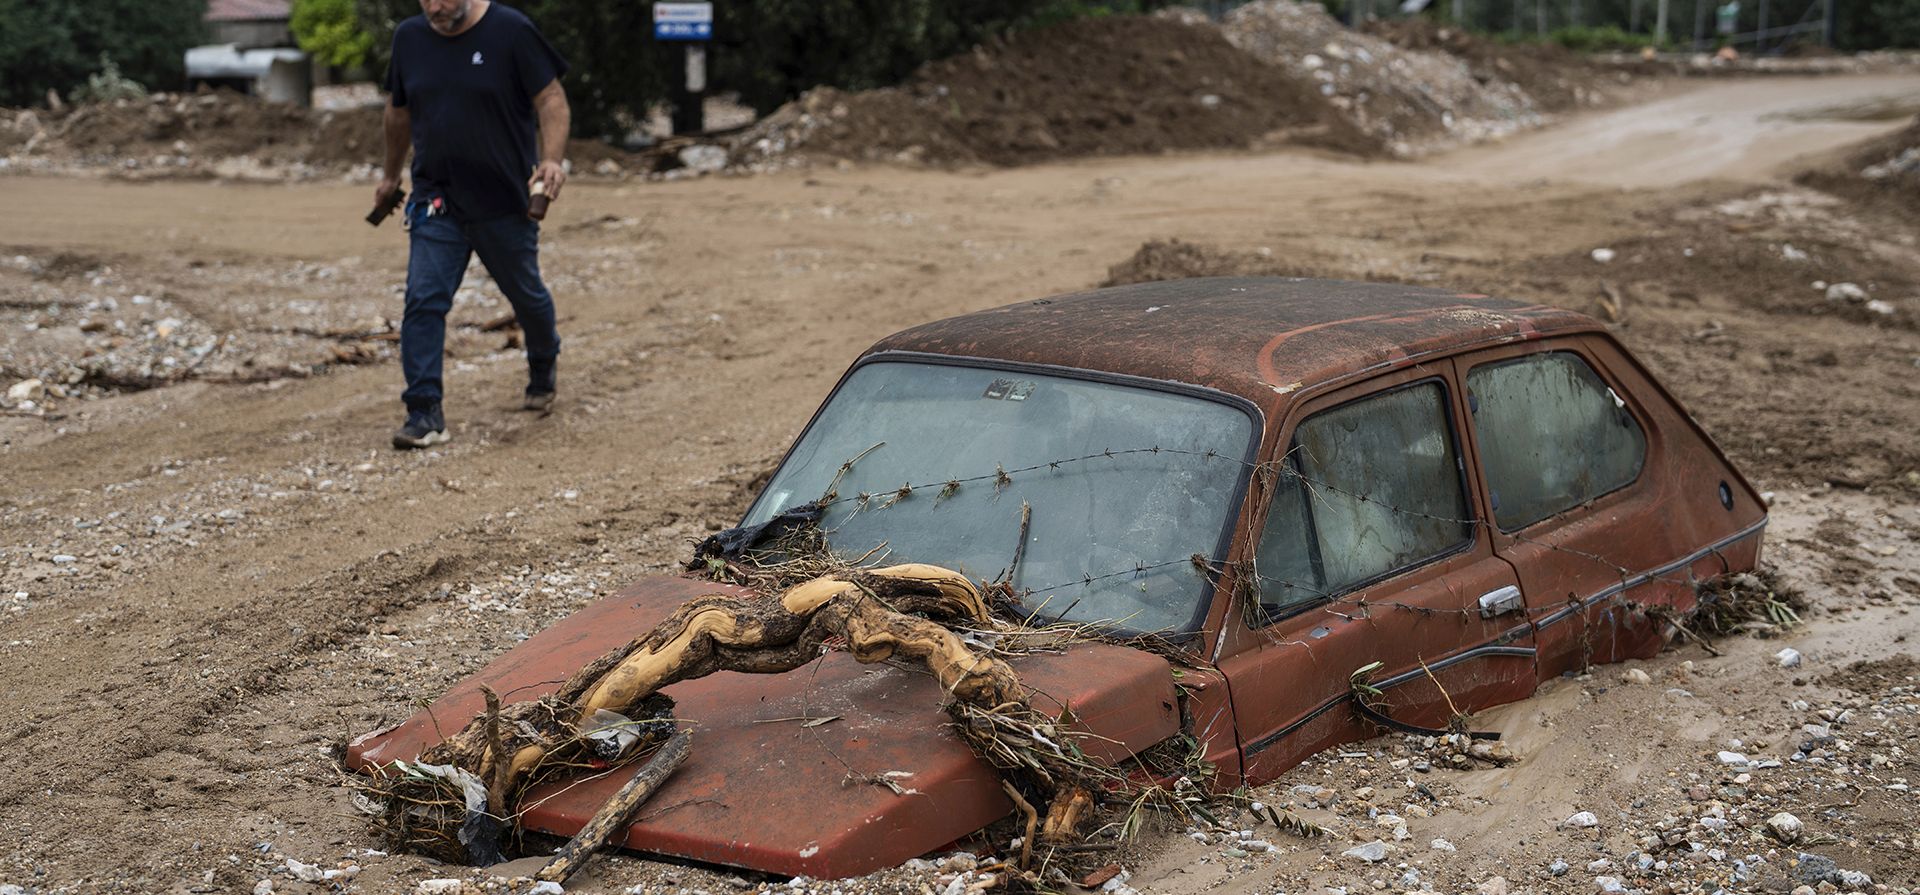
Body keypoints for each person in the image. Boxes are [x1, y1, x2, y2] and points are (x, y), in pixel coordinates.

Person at [377, 0, 570, 449]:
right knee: (423, 300)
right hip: (436, 199)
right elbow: (398, 113)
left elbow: (551, 99)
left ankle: (543, 362)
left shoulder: (512, 31)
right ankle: (424, 411)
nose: (434, 7)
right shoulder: (409, 37)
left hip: (503, 201)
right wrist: (389, 175)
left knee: (526, 294)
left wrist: (551, 160)